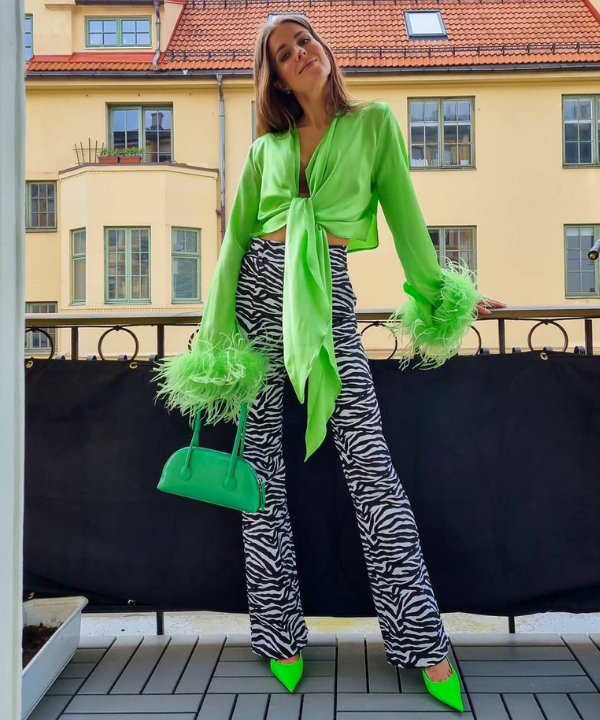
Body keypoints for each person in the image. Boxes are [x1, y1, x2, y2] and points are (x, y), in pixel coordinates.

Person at [154, 14, 506, 712]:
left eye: (305, 41)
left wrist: (446, 295)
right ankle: (278, 634)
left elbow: (406, 220)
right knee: (260, 470)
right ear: (277, 78)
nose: (299, 54)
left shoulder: (374, 125)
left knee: (371, 465)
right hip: (257, 291)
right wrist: (214, 337)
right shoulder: (265, 150)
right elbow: (232, 244)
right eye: (284, 53)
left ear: (324, 50)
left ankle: (423, 639)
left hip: (327, 293)